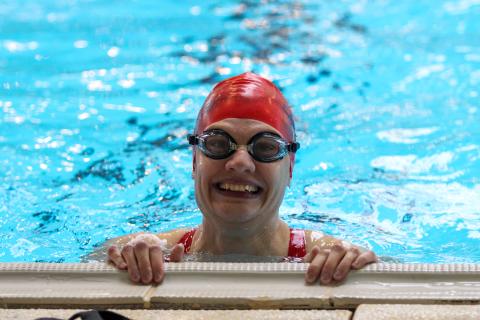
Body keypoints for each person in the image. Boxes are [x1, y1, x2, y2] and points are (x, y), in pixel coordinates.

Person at [106, 72, 377, 285]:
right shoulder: (157, 249)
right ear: (194, 162)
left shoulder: (324, 254)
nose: (239, 163)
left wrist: (352, 263)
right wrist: (130, 256)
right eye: (217, 143)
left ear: (290, 170)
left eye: (266, 147)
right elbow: (94, 260)